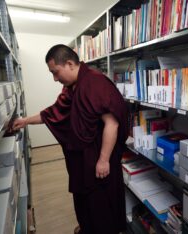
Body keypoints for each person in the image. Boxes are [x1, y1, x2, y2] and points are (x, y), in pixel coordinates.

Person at [12, 44, 128, 234]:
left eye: (56, 72)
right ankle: (87, 226)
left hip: (98, 159)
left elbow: (112, 124)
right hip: (81, 161)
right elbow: (52, 113)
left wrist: (104, 160)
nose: (55, 78)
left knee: (101, 205)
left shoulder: (95, 83)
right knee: (84, 201)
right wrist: (25, 121)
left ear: (69, 64)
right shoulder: (71, 88)